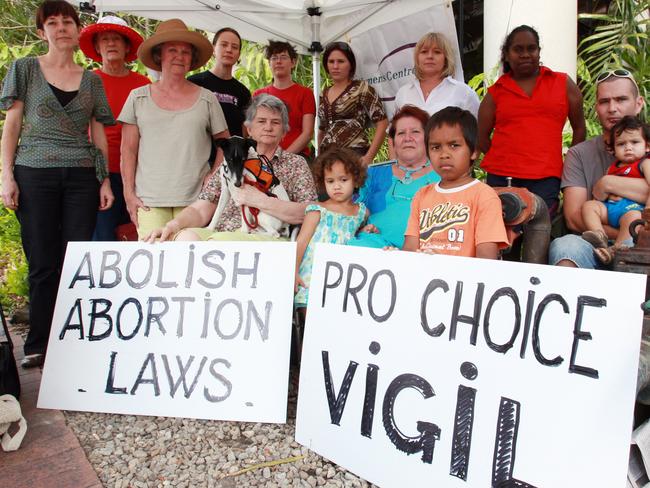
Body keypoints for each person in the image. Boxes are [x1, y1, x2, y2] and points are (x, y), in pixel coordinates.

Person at [0, 0, 115, 368]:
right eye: (53, 22)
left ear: (77, 29)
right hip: (33, 172)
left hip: (82, 175)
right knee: (42, 260)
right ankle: (38, 343)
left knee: (77, 259)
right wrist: (6, 175)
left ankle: (74, 341)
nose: (62, 27)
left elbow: (97, 131)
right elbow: (12, 126)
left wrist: (104, 181)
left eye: (68, 21)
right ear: (41, 31)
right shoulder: (24, 70)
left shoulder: (92, 78)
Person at [144, 94, 318, 243]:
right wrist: (172, 225)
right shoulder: (230, 162)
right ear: (249, 128)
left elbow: (311, 213)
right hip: (221, 232)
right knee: (184, 239)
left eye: (276, 122)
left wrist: (261, 201)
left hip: (263, 235)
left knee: (217, 243)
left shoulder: (295, 164)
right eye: (261, 121)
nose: (268, 127)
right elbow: (201, 208)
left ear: (284, 132)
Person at [119, 18, 229, 240]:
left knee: (188, 263)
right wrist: (129, 194)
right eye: (172, 50)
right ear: (159, 55)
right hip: (149, 200)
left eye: (185, 52)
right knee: (153, 264)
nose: (179, 56)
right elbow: (127, 151)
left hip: (195, 199)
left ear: (192, 58)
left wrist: (213, 176)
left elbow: (225, 144)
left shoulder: (207, 99)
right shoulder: (137, 97)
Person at [478, 25, 586, 216]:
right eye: (518, 49)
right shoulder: (496, 92)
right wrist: (507, 158)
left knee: (538, 233)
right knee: (502, 238)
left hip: (546, 178)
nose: (526, 54)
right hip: (503, 177)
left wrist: (569, 163)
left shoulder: (561, 83)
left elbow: (579, 128)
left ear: (538, 51)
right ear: (507, 54)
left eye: (531, 48)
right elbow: (481, 137)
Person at [549, 69, 646, 269]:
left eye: (621, 99)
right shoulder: (580, 154)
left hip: (644, 243)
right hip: (593, 242)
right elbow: (574, 218)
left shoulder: (646, 146)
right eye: (604, 102)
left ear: (638, 104)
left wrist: (609, 183)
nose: (612, 108)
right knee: (565, 246)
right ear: (596, 108)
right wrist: (613, 235)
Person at [78, 15, 150, 241]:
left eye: (116, 39)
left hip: (136, 171)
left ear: (126, 46)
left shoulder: (143, 84)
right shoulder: (86, 81)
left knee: (135, 232)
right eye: (105, 39)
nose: (111, 44)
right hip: (98, 171)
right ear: (97, 47)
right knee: (102, 235)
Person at [403, 107, 508, 258]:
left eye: (454, 145)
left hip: (462, 281)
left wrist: (444, 264)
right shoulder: (421, 195)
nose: (444, 154)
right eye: (436, 147)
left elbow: (487, 261)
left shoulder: (484, 196)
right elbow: (410, 252)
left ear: (474, 151)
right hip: (423, 278)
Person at [348, 105, 439, 249]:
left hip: (424, 253)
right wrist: (359, 228)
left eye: (415, 132)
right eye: (401, 133)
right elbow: (351, 212)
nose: (407, 138)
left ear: (428, 138)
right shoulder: (373, 174)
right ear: (394, 142)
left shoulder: (443, 176)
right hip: (374, 245)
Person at [294, 147, 368, 307]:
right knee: (311, 324)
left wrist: (365, 231)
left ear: (355, 180)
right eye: (330, 181)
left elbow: (353, 235)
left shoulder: (361, 212)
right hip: (312, 275)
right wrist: (293, 271)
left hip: (343, 276)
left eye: (343, 180)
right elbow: (301, 242)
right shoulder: (317, 210)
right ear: (323, 182)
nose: (337, 186)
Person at [580, 116, 650, 263]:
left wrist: (648, 209)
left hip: (632, 210)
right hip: (611, 209)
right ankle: (599, 236)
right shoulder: (612, 168)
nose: (628, 147)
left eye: (635, 142)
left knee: (632, 218)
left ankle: (618, 250)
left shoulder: (645, 164)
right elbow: (601, 195)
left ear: (647, 146)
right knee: (589, 206)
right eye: (621, 144)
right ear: (612, 149)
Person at [318, 41, 388, 166]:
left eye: (340, 61)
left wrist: (368, 157)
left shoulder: (362, 88)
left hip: (353, 156)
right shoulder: (324, 93)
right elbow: (322, 130)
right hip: (327, 159)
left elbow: (382, 123)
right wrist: (319, 158)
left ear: (350, 64)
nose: (335, 66)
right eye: (331, 61)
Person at [394, 32, 479, 118]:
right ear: (417, 58)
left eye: (437, 52)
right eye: (424, 52)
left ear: (446, 58)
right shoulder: (403, 93)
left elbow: (477, 129)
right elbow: (395, 129)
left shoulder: (463, 92)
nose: (430, 56)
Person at [253, 41, 315, 157]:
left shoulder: (305, 93)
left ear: (293, 62)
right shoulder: (258, 94)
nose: (278, 61)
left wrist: (283, 157)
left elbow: (307, 133)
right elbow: (253, 130)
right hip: (264, 158)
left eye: (283, 57)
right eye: (274, 58)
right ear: (269, 63)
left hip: (297, 157)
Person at [188, 27, 251, 137]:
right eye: (224, 45)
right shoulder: (195, 83)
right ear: (213, 49)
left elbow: (245, 131)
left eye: (234, 47)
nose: (229, 50)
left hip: (230, 153)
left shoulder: (243, 92)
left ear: (239, 54)